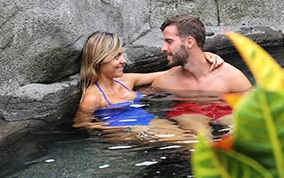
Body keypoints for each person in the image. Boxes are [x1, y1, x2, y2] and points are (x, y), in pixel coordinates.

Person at [73, 31, 223, 142]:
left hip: (146, 121)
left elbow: (168, 74)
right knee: (192, 143)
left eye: (121, 54)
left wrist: (202, 57)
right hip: (126, 130)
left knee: (199, 136)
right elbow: (81, 124)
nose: (123, 60)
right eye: (116, 57)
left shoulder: (126, 81)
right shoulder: (93, 97)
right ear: (99, 62)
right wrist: (115, 128)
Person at [152, 15, 252, 137]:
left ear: (189, 42)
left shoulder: (231, 78)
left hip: (225, 109)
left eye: (169, 42)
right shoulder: (165, 82)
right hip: (188, 111)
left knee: (241, 132)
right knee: (200, 140)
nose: (163, 48)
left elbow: (254, 110)